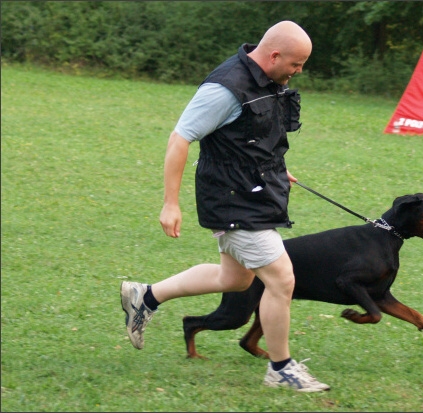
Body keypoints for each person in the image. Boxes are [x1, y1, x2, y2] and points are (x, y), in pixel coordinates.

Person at [120, 20, 330, 392]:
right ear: (274, 54)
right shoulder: (225, 89)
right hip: (234, 201)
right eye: (296, 64)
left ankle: (145, 295)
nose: (299, 72)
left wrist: (277, 169)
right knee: (282, 279)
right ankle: (281, 368)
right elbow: (179, 138)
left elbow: (247, 138)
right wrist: (170, 203)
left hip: (254, 191)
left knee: (235, 279)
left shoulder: (264, 81)